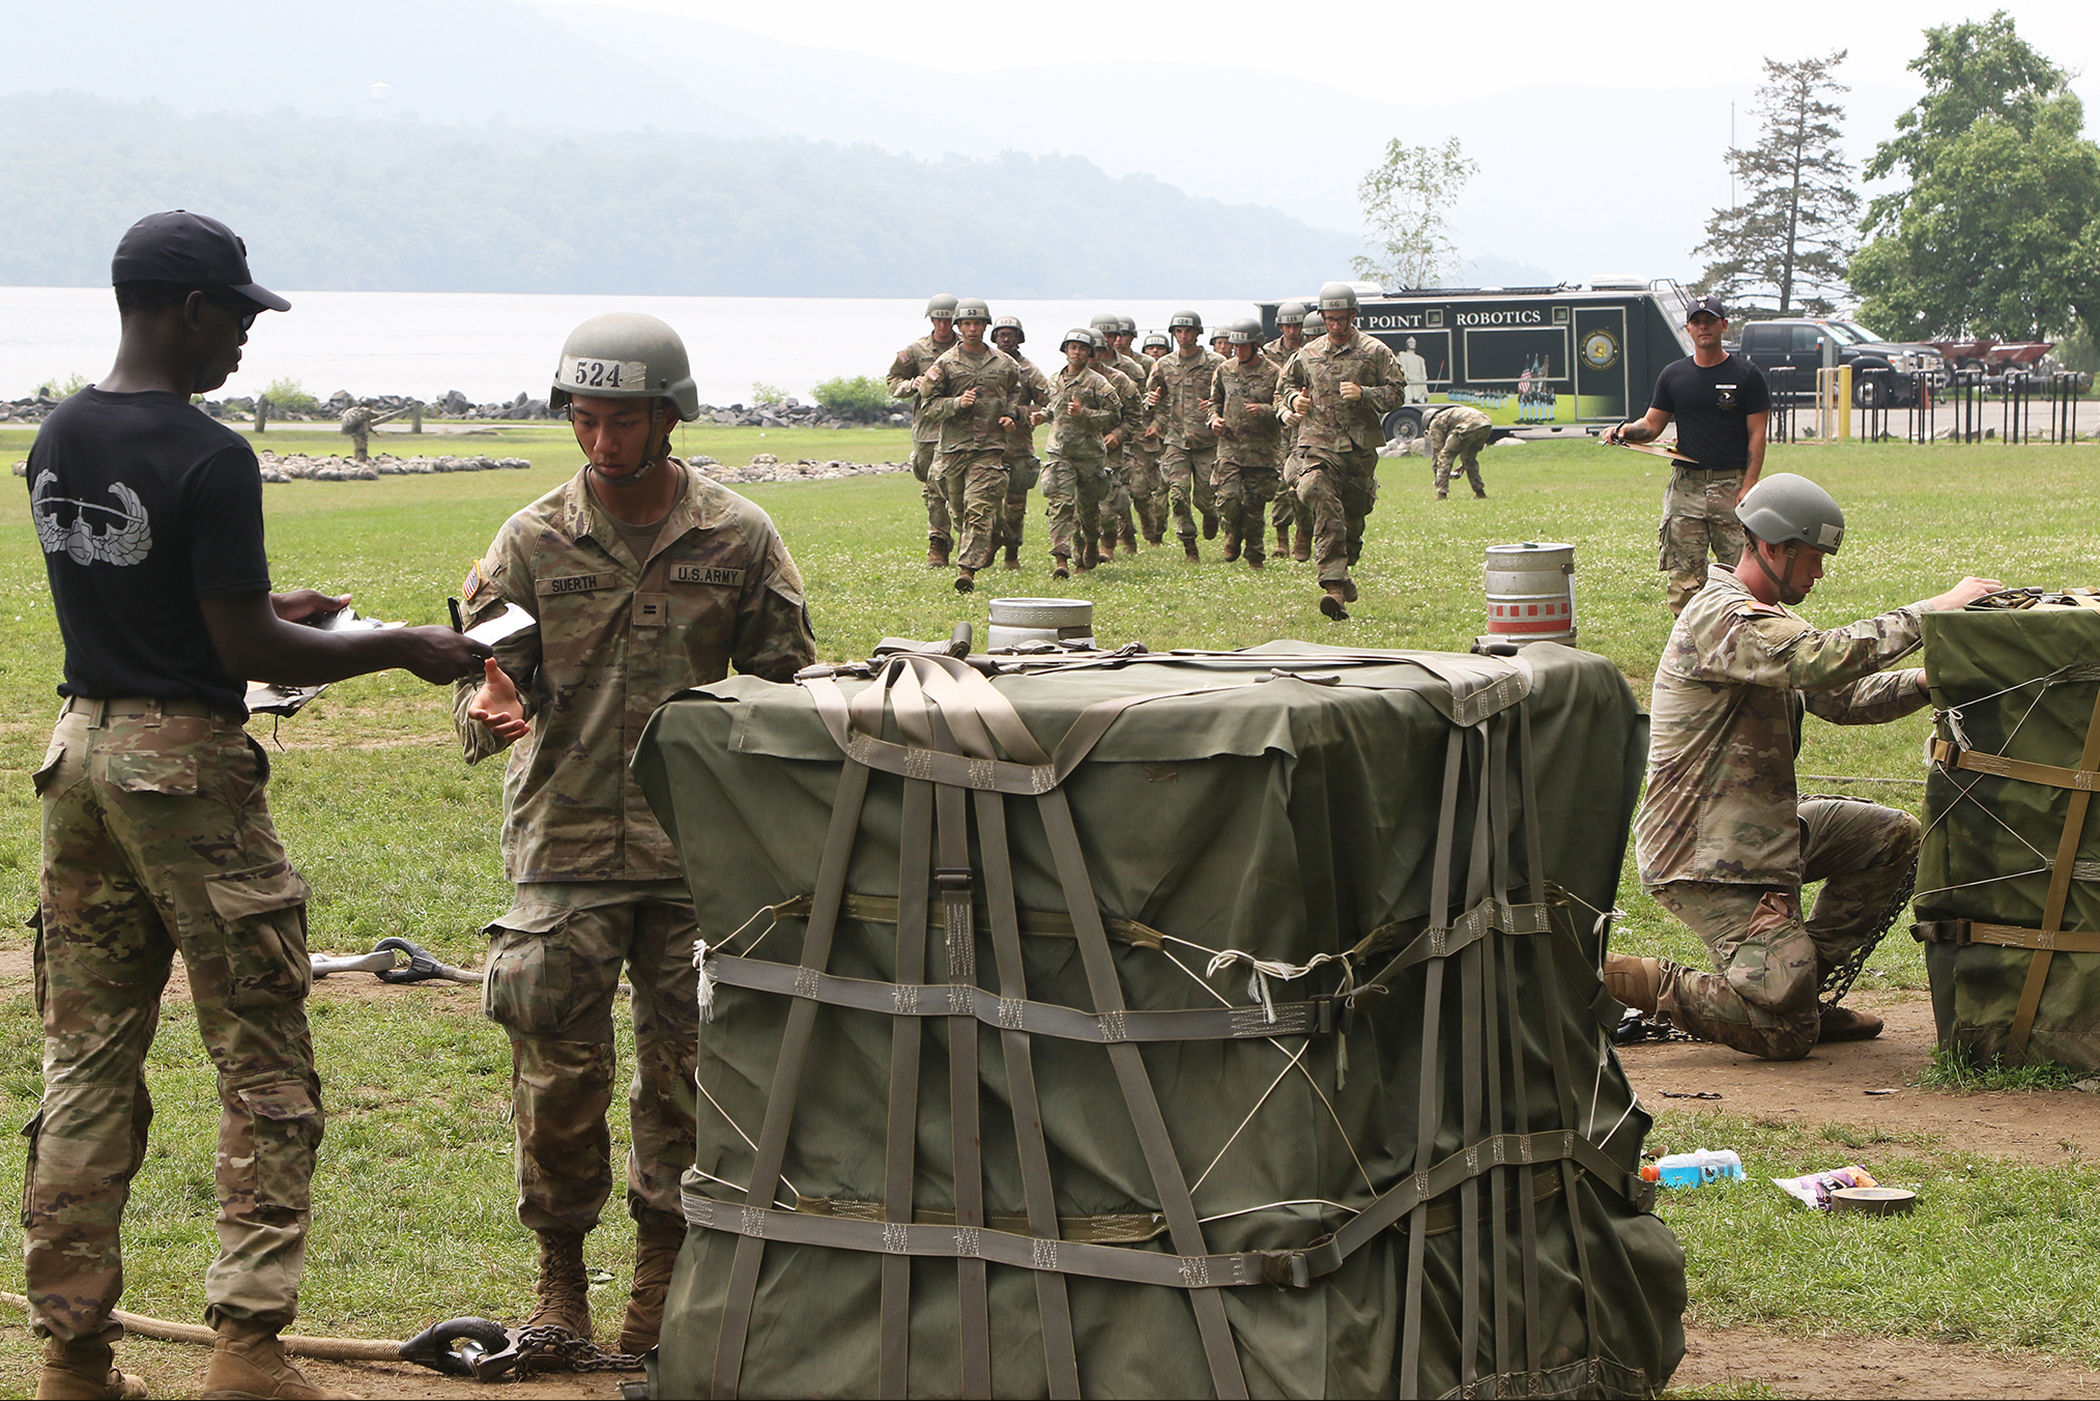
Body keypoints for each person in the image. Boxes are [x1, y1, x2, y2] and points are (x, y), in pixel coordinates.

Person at [25, 210, 490, 1401]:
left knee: (85, 1059)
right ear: (187, 310)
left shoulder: (60, 430)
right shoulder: (210, 452)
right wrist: (396, 646)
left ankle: (73, 1359)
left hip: (77, 754)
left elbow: (139, 598)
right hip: (183, 771)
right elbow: (240, 648)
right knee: (263, 1060)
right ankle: (246, 1351)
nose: (243, 337)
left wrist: (256, 598)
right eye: (236, 314)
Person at [455, 312, 815, 1356]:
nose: (602, 441)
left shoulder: (738, 537)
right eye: (584, 418)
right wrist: (486, 712)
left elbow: (791, 690)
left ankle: (664, 1275)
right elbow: (489, 680)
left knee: (693, 1075)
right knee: (557, 1077)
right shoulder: (528, 540)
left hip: (700, 853)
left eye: (623, 420)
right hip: (563, 846)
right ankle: (559, 1279)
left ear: (669, 416)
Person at [1608, 473, 2000, 1060]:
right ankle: (1612, 975)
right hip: (1704, 856)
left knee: (1889, 838)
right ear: (1772, 547)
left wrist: (1928, 682)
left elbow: (1842, 696)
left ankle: (1794, 988)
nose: (1819, 574)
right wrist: (1933, 612)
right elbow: (1819, 660)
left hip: (1761, 837)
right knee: (1783, 1036)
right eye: (1813, 559)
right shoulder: (1723, 616)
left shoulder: (1764, 622)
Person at [1604, 294, 1769, 615]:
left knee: (1742, 577)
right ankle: (1689, 654)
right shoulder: (1673, 375)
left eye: (1709, 320)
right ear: (1688, 330)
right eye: (1696, 321)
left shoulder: (1746, 375)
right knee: (1683, 578)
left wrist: (1749, 484)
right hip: (1685, 490)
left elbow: (1757, 433)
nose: (1703, 326)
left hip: (1732, 487)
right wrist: (1623, 431)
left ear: (1724, 325)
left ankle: (1741, 649)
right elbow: (1651, 426)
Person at [1278, 282, 1405, 619]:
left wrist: (1365, 393)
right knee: (1315, 488)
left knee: (1353, 519)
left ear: (1353, 316)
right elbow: (1284, 387)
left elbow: (1397, 394)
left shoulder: (1376, 351)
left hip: (1359, 448)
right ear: (1322, 317)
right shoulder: (1307, 353)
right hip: (1317, 444)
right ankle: (1333, 586)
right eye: (1330, 319)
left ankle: (1346, 567)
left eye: (1342, 319)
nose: (1336, 326)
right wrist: (1294, 401)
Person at [920, 298, 1024, 592]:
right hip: (954, 449)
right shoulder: (944, 364)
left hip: (989, 449)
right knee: (959, 513)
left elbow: (1016, 390)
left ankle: (967, 571)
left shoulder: (1004, 363)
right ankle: (992, 535)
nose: (972, 329)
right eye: (967, 323)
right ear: (959, 327)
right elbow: (928, 404)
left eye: (978, 323)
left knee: (978, 509)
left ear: (985, 326)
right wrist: (956, 403)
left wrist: (1010, 413)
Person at [1031, 329, 1121, 579]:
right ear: (1065, 350)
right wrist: (1042, 416)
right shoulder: (1054, 380)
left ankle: (1091, 542)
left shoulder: (1098, 383)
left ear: (1089, 353)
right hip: (1060, 454)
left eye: (1082, 348)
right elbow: (1054, 408)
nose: (1077, 352)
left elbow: (1115, 415)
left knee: (1089, 511)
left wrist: (1085, 413)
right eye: (1072, 347)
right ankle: (1061, 558)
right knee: (1061, 504)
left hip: (1089, 455)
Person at [884, 294, 960, 567]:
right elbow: (893, 381)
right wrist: (911, 384)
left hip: (959, 428)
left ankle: (945, 540)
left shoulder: (967, 350)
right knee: (931, 484)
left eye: (948, 319)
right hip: (928, 430)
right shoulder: (916, 351)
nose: (943, 325)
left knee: (953, 486)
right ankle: (940, 540)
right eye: (938, 319)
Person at [1144, 309, 1225, 560]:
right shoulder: (1164, 364)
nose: (1183, 335)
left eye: (1188, 330)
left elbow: (1229, 396)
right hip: (1176, 440)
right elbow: (1150, 396)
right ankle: (1189, 544)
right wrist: (1152, 400)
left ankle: (1211, 517)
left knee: (1205, 498)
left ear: (1198, 333)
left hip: (1207, 441)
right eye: (1178, 331)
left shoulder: (1216, 363)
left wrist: (1214, 407)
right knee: (1177, 494)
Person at [1207, 319, 1285, 568]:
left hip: (1261, 452)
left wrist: (1264, 410)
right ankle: (1232, 532)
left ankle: (1255, 555)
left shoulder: (1274, 373)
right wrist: (1214, 420)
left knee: (1254, 508)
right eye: (1234, 346)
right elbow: (1213, 402)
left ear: (1256, 345)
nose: (1236, 350)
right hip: (1230, 447)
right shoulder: (1224, 370)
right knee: (1226, 499)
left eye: (1242, 346)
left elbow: (1283, 407)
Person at [991, 315, 1049, 570]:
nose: (1006, 339)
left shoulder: (1030, 371)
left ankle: (1012, 554)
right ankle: (987, 546)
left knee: (1015, 506)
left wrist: (1020, 414)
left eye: (1011, 334)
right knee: (985, 504)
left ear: (1019, 339)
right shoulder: (985, 365)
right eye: (1001, 334)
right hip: (986, 447)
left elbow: (1049, 404)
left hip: (1018, 448)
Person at [1090, 326, 1145, 558]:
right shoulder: (1066, 377)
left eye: (1094, 351)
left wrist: (1118, 434)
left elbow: (1136, 415)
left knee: (1111, 502)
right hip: (1080, 449)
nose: (1089, 356)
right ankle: (1085, 549)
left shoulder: (1120, 379)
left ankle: (1110, 543)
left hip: (1112, 450)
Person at [1425, 402, 1492, 500]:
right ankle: (1480, 492)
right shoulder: (1448, 413)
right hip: (1486, 424)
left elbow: (1438, 452)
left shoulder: (1436, 422)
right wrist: (1463, 464)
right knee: (1469, 459)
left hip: (1469, 424)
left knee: (1445, 456)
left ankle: (1441, 493)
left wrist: (1438, 476)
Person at [1261, 300, 1309, 369]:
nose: (1292, 331)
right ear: (1280, 327)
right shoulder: (1269, 351)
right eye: (1288, 326)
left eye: (1296, 326)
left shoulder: (1310, 349)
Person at [1395, 336, 1431, 405]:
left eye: (1413, 342)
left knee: (1421, 401)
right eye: (1409, 342)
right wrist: (1408, 376)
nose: (1411, 344)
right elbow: (1401, 369)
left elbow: (1424, 374)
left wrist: (1423, 382)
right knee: (1408, 399)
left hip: (1418, 382)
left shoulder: (1420, 359)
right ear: (1406, 344)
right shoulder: (1402, 355)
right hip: (1408, 382)